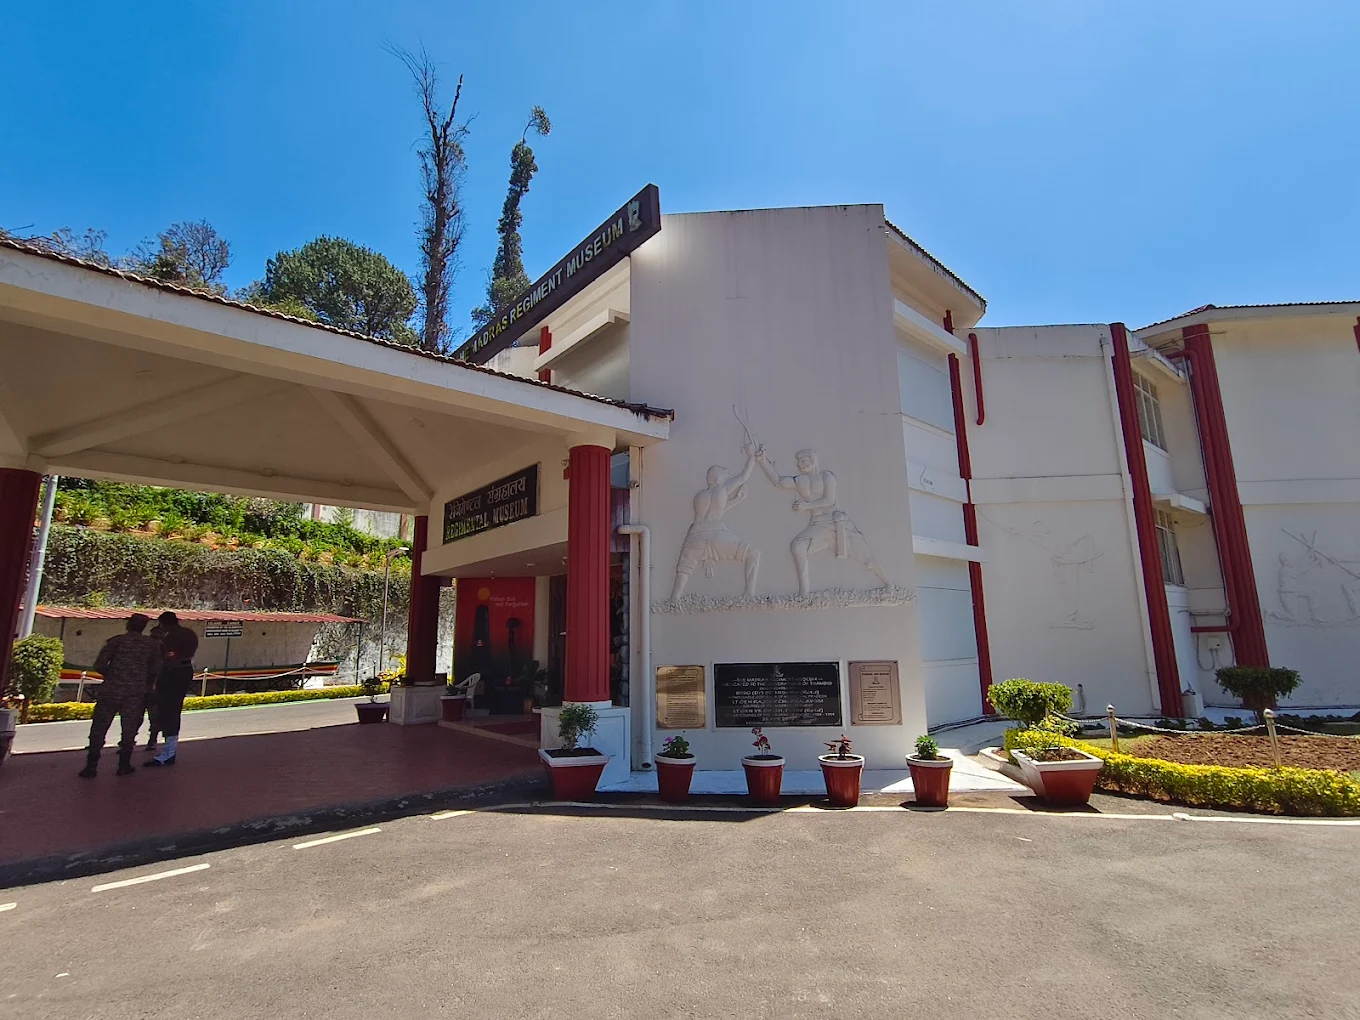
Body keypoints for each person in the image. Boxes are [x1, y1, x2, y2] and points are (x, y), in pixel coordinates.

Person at [669, 444, 761, 601]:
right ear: (719, 479)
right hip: (715, 532)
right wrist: (752, 456)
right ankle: (749, 595)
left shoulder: (699, 496)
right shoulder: (722, 488)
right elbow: (744, 477)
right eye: (725, 477)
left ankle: (674, 599)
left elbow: (713, 513)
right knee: (753, 554)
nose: (727, 479)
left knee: (684, 569)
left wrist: (737, 500)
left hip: (695, 535)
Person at [78, 613, 162, 778]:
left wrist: (113, 676)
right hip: (135, 693)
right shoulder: (151, 645)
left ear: (128, 625)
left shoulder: (116, 641)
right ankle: (124, 765)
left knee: (99, 727)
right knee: (129, 729)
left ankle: (91, 766)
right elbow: (155, 669)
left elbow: (99, 665)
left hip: (111, 690)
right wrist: (144, 682)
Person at [144, 611, 199, 767]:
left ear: (163, 623)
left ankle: (168, 753)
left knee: (168, 712)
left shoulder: (170, 637)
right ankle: (169, 750)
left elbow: (169, 656)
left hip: (172, 672)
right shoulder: (190, 633)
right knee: (173, 711)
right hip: (186, 670)